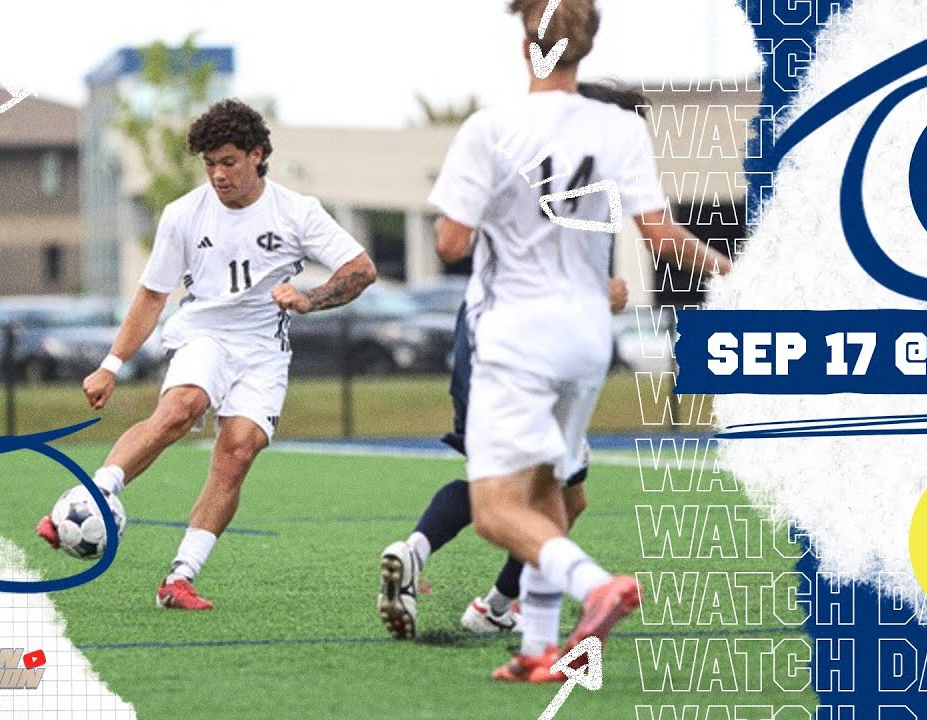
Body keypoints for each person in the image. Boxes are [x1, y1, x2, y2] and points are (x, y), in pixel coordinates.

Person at [381, 0, 731, 681]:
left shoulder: (491, 129)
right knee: (550, 492)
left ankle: (596, 585)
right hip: (587, 338)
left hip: (516, 335)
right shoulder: (617, 127)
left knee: (496, 509)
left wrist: (486, 212)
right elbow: (660, 235)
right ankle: (538, 646)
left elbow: (451, 241)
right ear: (584, 50)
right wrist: (731, 271)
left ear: (525, 46)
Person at [36, 99, 376, 610]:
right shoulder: (183, 215)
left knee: (237, 451)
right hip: (204, 334)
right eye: (209, 163)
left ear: (257, 155)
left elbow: (360, 269)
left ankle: (179, 579)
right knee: (183, 405)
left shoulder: (297, 212)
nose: (218, 174)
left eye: (228, 161)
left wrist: (309, 299)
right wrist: (111, 365)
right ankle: (95, 494)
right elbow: (152, 295)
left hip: (263, 351)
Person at [378, 275, 626, 641]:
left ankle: (419, 553)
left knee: (508, 489)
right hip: (522, 357)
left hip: (478, 344)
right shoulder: (557, 226)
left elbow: (449, 241)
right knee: (545, 501)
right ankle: (560, 599)